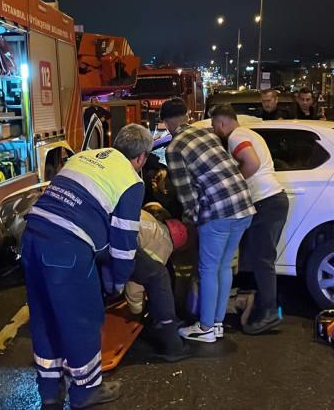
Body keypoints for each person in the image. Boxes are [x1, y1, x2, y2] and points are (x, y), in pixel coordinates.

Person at [22, 124, 151, 409]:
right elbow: (123, 243)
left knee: (45, 315)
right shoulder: (131, 181)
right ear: (141, 158)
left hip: (33, 236)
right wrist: (117, 282)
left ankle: (49, 391)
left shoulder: (83, 156)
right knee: (82, 318)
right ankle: (85, 391)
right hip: (66, 248)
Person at [160, 97, 255, 343]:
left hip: (218, 213)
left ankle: (205, 328)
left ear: (167, 123)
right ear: (186, 115)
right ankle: (217, 323)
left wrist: (191, 222)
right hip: (243, 206)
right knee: (224, 267)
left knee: (209, 269)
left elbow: (186, 193)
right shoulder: (208, 135)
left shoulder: (174, 148)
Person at [210, 104, 289, 335]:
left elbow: (251, 163)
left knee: (263, 259)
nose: (216, 131)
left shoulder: (236, 136)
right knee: (254, 255)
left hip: (266, 202)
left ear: (222, 122)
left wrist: (235, 182)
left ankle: (270, 312)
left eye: (215, 126)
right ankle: (257, 301)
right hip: (270, 201)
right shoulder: (250, 133)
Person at [116, 205, 192, 361]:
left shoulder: (151, 220)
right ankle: (172, 342)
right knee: (158, 277)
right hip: (120, 238)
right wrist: (136, 309)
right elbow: (136, 282)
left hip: (113, 228)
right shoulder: (162, 249)